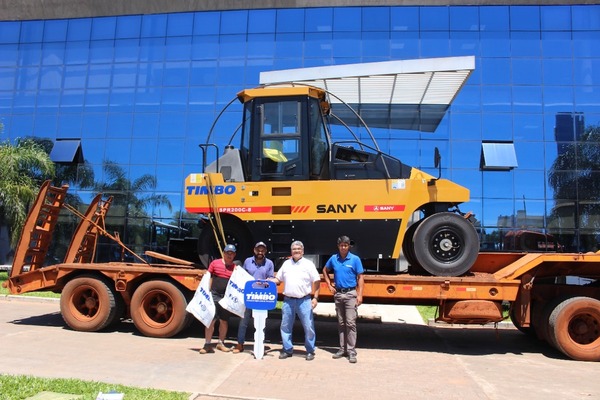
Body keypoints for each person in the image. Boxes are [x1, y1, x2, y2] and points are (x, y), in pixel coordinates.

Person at [270, 240, 321, 361]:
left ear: (302, 251)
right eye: (294, 249)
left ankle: (310, 350)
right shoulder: (286, 264)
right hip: (288, 301)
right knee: (285, 326)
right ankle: (287, 349)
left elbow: (317, 281)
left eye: (299, 249)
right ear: (291, 251)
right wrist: (268, 281)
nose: (296, 251)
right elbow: (278, 279)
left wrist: (315, 298)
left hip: (304, 301)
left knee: (308, 327)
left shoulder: (309, 264)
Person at [322, 235, 364, 364]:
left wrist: (360, 294)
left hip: (351, 294)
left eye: (345, 245)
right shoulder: (334, 259)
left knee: (350, 323)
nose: (343, 247)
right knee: (341, 323)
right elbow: (325, 270)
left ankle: (351, 351)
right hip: (339, 294)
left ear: (348, 246)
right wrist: (329, 284)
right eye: (341, 245)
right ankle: (342, 349)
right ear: (338, 246)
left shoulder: (355, 259)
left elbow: (360, 277)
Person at [233, 241, 275, 354]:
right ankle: (240, 344)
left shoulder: (269, 263)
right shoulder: (247, 261)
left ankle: (260, 346)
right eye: (258, 249)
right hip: (248, 295)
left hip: (262, 296)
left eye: (262, 250)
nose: (260, 252)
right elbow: (242, 275)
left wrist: (267, 281)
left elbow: (271, 278)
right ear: (254, 250)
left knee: (261, 322)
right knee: (243, 321)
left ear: (265, 251)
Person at [199, 244, 238, 354]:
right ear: (224, 253)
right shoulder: (215, 263)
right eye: (227, 253)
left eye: (232, 253)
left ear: (234, 255)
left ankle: (221, 343)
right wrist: (207, 292)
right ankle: (207, 344)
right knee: (211, 320)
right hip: (214, 295)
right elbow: (208, 277)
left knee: (224, 321)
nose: (229, 255)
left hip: (226, 298)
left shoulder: (235, 268)